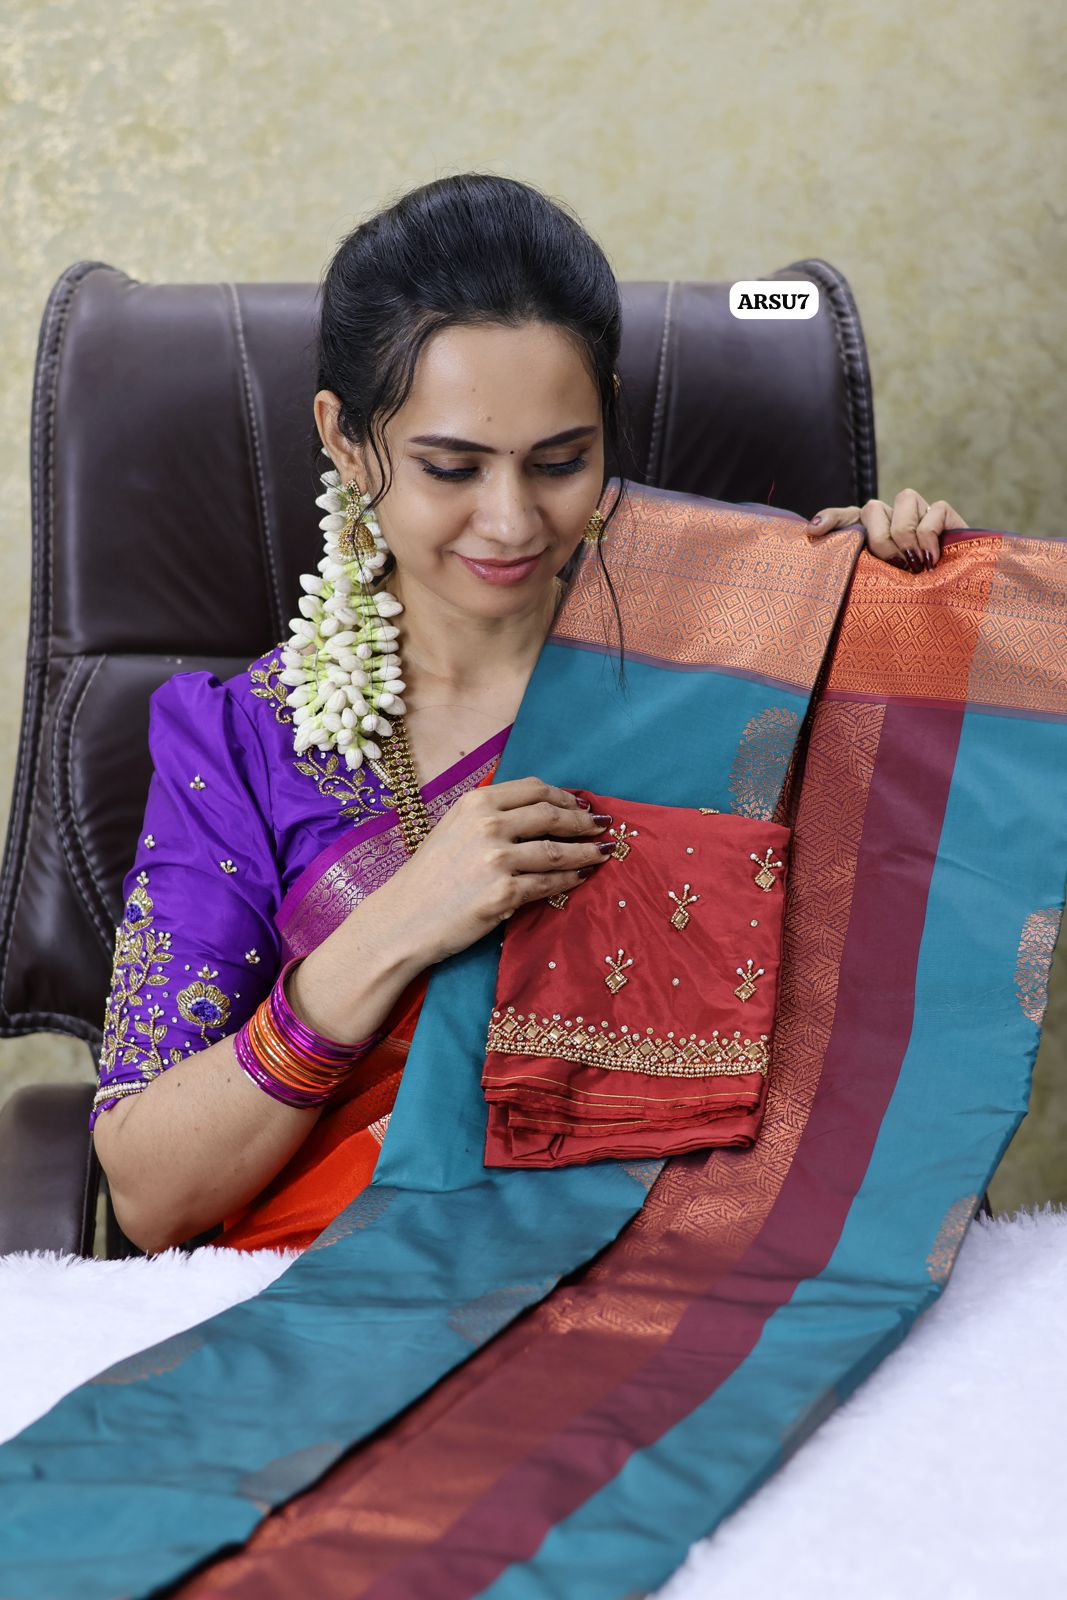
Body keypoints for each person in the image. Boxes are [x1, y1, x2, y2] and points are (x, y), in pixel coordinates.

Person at [89, 172, 967, 1256]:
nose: (509, 522)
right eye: (450, 466)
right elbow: (149, 1190)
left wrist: (900, 638)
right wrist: (399, 926)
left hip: (680, 1293)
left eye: (560, 462)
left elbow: (894, 1031)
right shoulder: (239, 743)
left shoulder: (730, 676)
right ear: (345, 440)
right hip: (336, 1318)